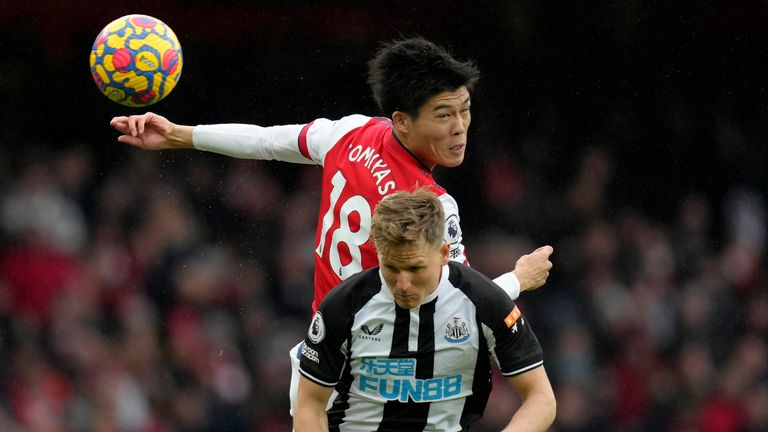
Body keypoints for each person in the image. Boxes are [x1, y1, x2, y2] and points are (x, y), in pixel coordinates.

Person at [109, 36, 554, 415]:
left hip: (318, 367)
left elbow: (266, 141)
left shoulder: (349, 132)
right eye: (443, 114)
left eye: (465, 110)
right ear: (402, 119)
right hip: (380, 380)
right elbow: (463, 308)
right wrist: (520, 277)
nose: (460, 128)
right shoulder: (431, 207)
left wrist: (180, 134)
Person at [294, 188, 556, 431]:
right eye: (392, 269)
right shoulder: (344, 305)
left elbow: (541, 398)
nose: (403, 284)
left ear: (443, 253)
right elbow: (310, 403)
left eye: (416, 269)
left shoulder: (486, 302)